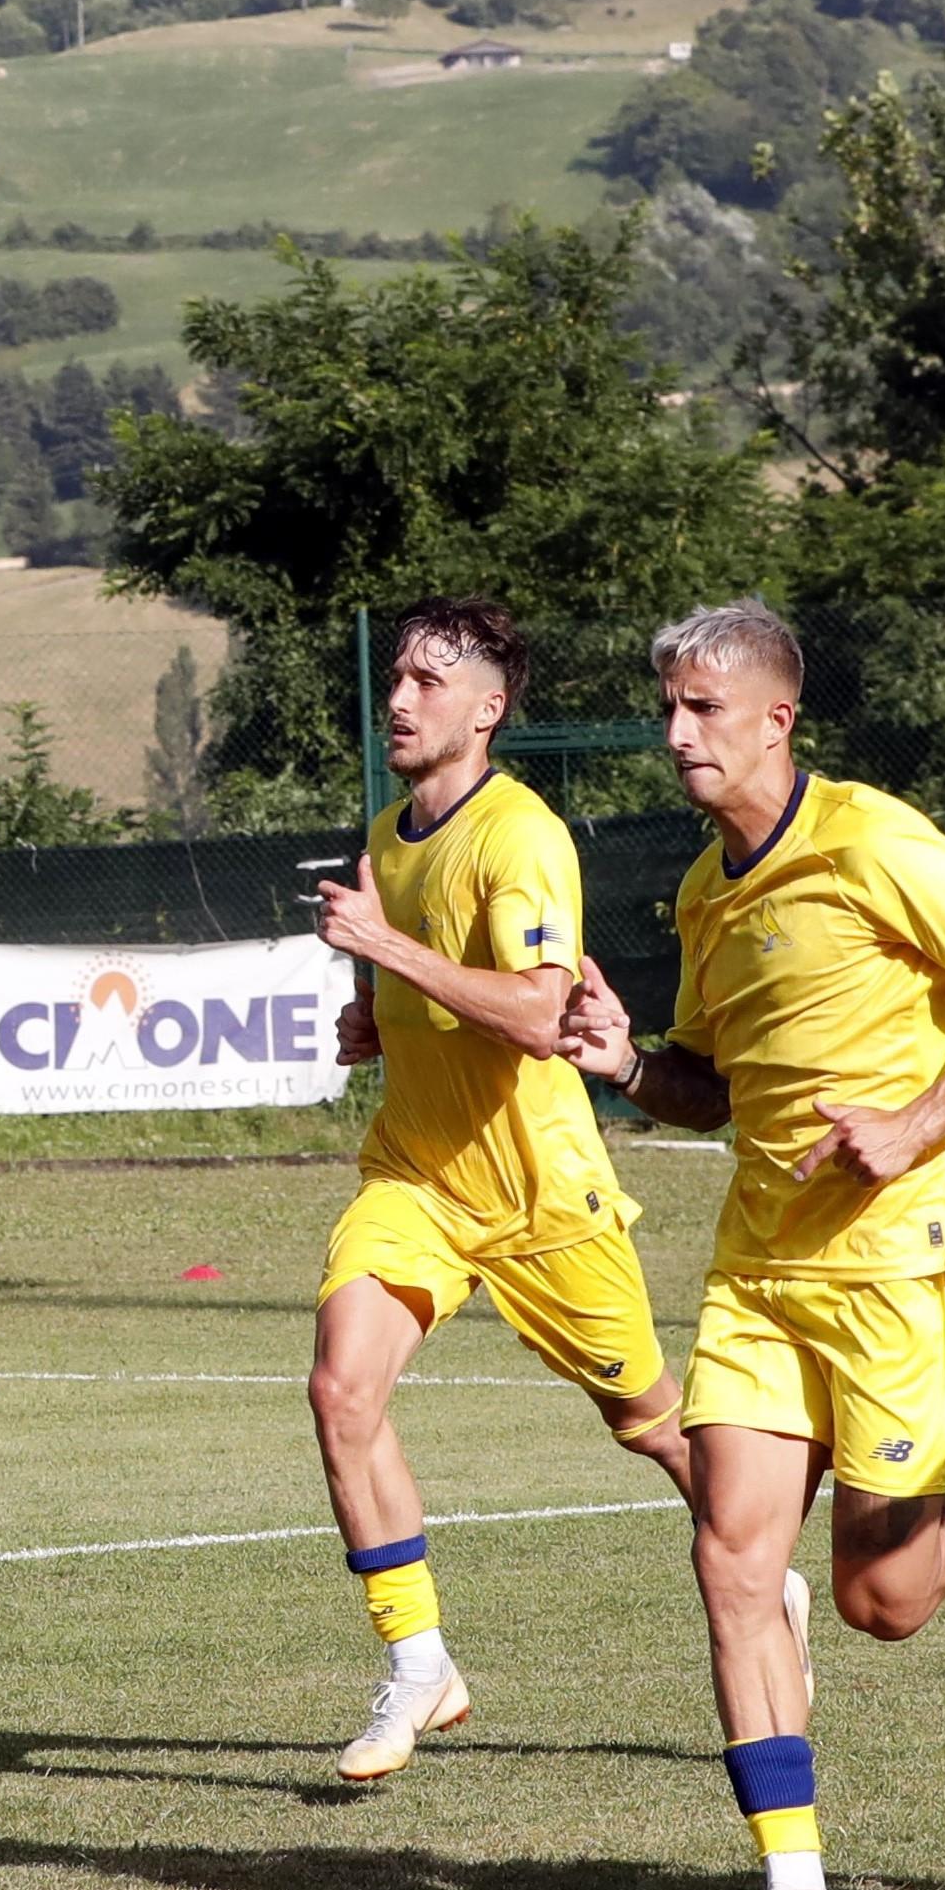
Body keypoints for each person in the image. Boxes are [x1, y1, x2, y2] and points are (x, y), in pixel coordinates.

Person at [559, 601, 945, 1890]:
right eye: (668, 708)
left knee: (883, 1603)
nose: (677, 732)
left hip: (898, 1270)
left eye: (704, 708)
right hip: (760, 1270)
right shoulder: (706, 889)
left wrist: (918, 1122)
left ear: (776, 718)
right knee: (730, 1556)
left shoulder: (874, 841)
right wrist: (627, 1062)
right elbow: (714, 1087)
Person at [297, 603, 692, 1782]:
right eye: (397, 678)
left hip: (537, 1191)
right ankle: (419, 1662)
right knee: (338, 1387)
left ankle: (758, 1564)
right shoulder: (388, 832)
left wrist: (392, 951)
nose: (401, 698)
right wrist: (373, 1015)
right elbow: (416, 989)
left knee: (659, 1432)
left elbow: (533, 1014)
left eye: (430, 679)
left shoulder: (520, 837)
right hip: (416, 1174)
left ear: (488, 706)